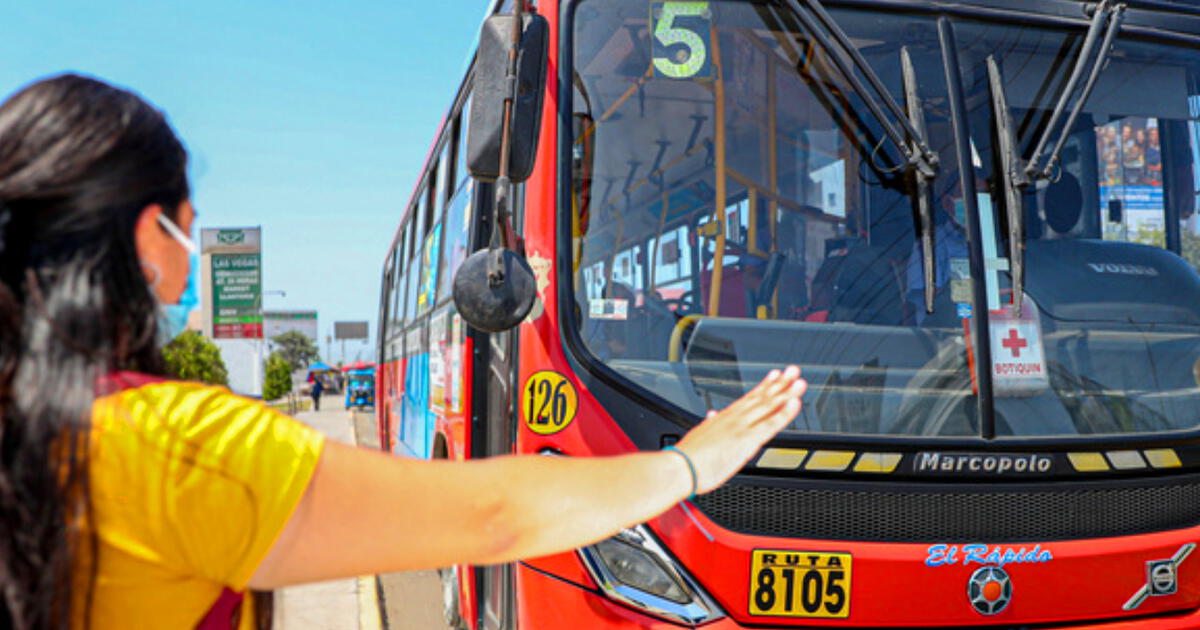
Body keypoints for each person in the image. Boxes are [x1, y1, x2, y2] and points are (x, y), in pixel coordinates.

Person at [0, 74, 808, 629]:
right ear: (150, 233)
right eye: (187, 222)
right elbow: (492, 517)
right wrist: (691, 464)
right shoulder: (177, 447)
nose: (186, 266)